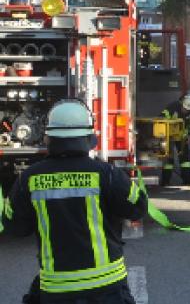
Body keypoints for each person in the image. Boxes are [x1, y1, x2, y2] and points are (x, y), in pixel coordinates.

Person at [3, 100, 147, 303]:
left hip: (56, 291)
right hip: (107, 290)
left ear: (48, 137)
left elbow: (14, 227)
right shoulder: (107, 174)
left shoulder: (29, 178)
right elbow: (138, 208)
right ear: (89, 138)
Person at [159, 93, 190, 186]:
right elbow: (161, 119)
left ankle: (187, 180)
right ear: (181, 103)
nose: (185, 111)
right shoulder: (172, 107)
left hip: (183, 137)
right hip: (169, 136)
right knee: (168, 159)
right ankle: (165, 181)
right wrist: (164, 137)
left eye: (188, 110)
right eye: (184, 108)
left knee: (185, 159)